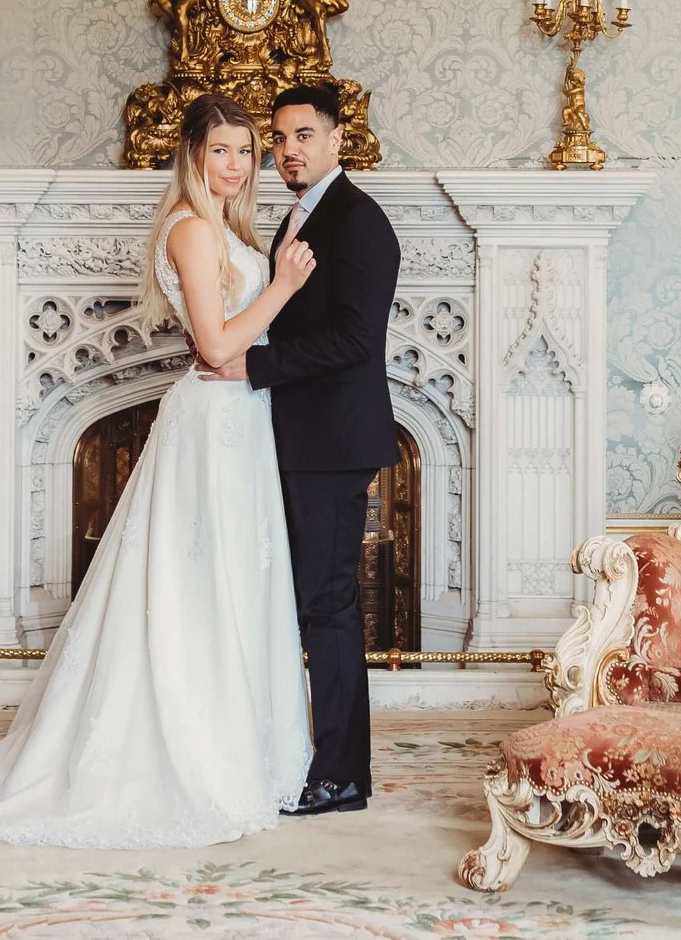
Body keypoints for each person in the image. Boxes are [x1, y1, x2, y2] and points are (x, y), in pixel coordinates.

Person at [0, 93, 317, 847]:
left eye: (247, 151)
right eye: (223, 149)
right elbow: (216, 347)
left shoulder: (231, 228)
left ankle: (250, 748)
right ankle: (191, 754)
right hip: (211, 421)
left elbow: (238, 349)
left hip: (243, 420)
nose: (240, 163)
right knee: (196, 584)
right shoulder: (189, 228)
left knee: (240, 578)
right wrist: (281, 286)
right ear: (193, 154)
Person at [199, 80, 401, 816]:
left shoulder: (359, 222)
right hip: (291, 436)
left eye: (303, 135)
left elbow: (354, 339)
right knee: (303, 602)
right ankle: (305, 754)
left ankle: (343, 772)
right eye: (278, 139)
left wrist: (250, 365)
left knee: (328, 605)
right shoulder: (300, 215)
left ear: (339, 136)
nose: (287, 151)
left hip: (332, 441)